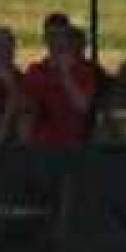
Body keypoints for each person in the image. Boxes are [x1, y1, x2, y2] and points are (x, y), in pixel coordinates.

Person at [21, 12, 97, 150]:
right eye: (51, 36)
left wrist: (64, 74)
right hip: (41, 144)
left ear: (68, 38)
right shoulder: (35, 70)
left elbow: (83, 106)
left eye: (60, 36)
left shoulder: (84, 70)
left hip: (74, 145)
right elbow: (27, 109)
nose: (55, 41)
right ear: (45, 39)